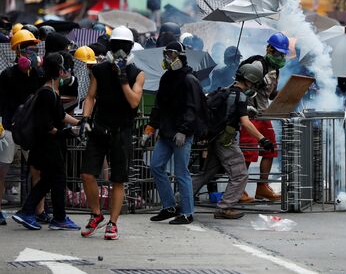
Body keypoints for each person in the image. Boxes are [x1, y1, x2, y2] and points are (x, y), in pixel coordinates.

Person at [79, 26, 145, 240]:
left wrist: (123, 77)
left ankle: (113, 223)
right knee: (87, 174)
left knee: (118, 179)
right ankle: (96, 214)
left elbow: (134, 102)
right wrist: (85, 120)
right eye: (116, 46)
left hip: (122, 132)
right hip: (99, 129)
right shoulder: (99, 70)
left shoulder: (137, 73)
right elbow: (90, 97)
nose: (119, 51)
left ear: (130, 48)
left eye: (123, 47)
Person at [192, 63, 274, 219]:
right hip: (226, 141)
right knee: (240, 174)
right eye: (254, 84)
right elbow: (245, 122)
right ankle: (225, 207)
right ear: (249, 81)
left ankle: (179, 199)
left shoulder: (225, 91)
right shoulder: (241, 96)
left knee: (206, 173)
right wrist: (262, 139)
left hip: (214, 138)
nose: (255, 87)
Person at [12, 52, 81, 230]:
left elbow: (61, 114)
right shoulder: (47, 94)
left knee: (52, 179)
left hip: (50, 145)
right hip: (46, 146)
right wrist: (66, 133)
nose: (67, 72)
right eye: (65, 68)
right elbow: (46, 126)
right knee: (52, 178)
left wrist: (81, 122)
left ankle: (55, 217)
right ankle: (32, 213)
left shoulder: (52, 92)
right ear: (59, 71)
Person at [143, 42, 204, 225]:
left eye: (171, 54)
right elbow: (158, 105)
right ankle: (169, 207)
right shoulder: (166, 78)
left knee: (181, 173)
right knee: (156, 166)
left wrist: (184, 131)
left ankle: (187, 212)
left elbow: (192, 109)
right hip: (166, 132)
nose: (167, 58)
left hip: (181, 135)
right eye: (166, 54)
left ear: (180, 56)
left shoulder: (189, 79)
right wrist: (150, 128)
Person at [238, 33, 289, 202]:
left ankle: (262, 187)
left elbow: (270, 94)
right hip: (250, 116)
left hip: (264, 115)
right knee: (248, 153)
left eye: (283, 54)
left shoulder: (276, 70)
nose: (281, 57)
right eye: (278, 53)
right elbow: (243, 87)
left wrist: (286, 93)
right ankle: (238, 190)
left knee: (270, 150)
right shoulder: (258, 65)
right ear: (269, 49)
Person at [0, 29, 43, 226]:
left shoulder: (38, 74)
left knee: (37, 171)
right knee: (2, 170)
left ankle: (38, 210)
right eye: (26, 49)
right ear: (17, 52)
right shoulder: (7, 75)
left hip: (29, 130)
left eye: (33, 49)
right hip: (9, 127)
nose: (30, 53)